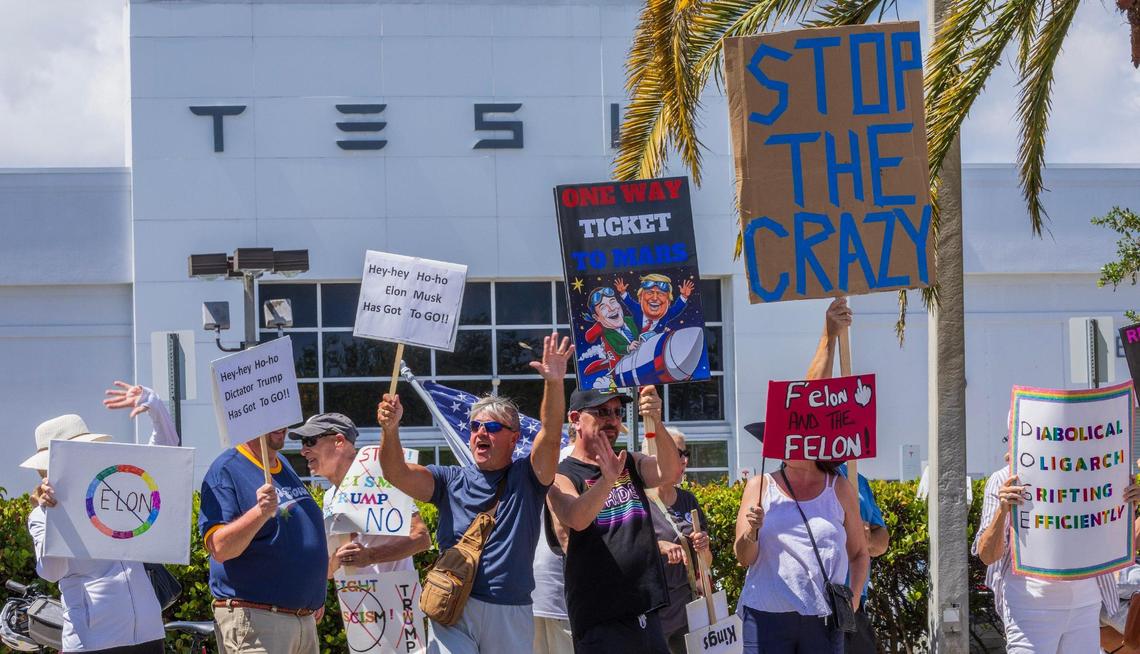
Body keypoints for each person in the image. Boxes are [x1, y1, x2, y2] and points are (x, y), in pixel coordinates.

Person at [377, 331, 572, 654]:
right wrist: (390, 430)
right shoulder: (449, 479)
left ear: (514, 438)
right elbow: (395, 472)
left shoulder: (528, 476)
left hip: (510, 609)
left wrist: (554, 381)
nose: (482, 432)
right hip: (452, 603)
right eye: (476, 426)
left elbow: (551, 435)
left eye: (493, 427)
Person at [733, 298, 870, 654]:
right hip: (765, 618)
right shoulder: (759, 486)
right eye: (779, 438)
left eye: (792, 436)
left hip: (823, 621)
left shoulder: (839, 488)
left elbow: (859, 553)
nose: (785, 444)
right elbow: (743, 556)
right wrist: (752, 530)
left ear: (813, 440)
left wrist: (852, 598)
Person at [23, 381, 178, 654]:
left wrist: (152, 403)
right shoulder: (40, 515)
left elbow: (166, 454)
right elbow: (51, 571)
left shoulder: (114, 488)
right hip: (93, 642)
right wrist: (53, 514)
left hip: (147, 632)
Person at [546, 384, 682, 654]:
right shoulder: (561, 476)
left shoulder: (628, 462)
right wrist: (607, 480)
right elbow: (577, 518)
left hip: (645, 607)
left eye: (618, 412)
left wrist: (655, 419)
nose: (612, 420)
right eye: (602, 412)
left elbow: (668, 471)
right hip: (601, 618)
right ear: (575, 419)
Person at [973, 455, 1140, 653]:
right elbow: (987, 555)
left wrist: (1125, 506)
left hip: (1086, 602)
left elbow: (1114, 546)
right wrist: (1003, 511)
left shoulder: (1094, 477)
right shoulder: (1004, 480)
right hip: (1031, 605)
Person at [803, 297, 890, 654]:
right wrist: (829, 335)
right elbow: (809, 398)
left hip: (853, 605)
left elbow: (881, 540)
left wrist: (867, 539)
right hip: (810, 610)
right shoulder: (801, 478)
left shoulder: (855, 480)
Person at [199, 424, 327, 654]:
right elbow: (220, 547)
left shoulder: (282, 464)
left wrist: (313, 592)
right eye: (270, 419)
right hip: (258, 621)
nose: (281, 425)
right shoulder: (226, 470)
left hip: (301, 622)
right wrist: (259, 512)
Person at [290, 412, 431, 578]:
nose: (303, 451)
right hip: (354, 601)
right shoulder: (329, 497)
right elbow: (328, 572)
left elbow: (422, 538)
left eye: (310, 441)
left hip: (394, 599)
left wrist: (371, 555)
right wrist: (339, 559)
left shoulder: (381, 479)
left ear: (339, 441)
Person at [643, 428, 711, 654]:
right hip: (650, 615)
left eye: (686, 453)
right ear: (655, 456)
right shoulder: (636, 501)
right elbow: (622, 551)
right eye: (678, 452)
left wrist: (703, 547)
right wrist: (658, 546)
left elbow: (706, 563)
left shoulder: (687, 499)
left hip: (687, 613)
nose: (684, 460)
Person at [532, 430, 578, 654]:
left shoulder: (545, 464)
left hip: (536, 587)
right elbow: (564, 530)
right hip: (565, 587)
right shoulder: (577, 463)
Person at [615, 274, 694, 334]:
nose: (655, 298)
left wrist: (684, 296)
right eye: (650, 293)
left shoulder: (666, 315)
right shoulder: (637, 310)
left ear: (668, 301)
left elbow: (676, 309)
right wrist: (623, 292)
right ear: (640, 297)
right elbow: (629, 303)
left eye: (660, 294)